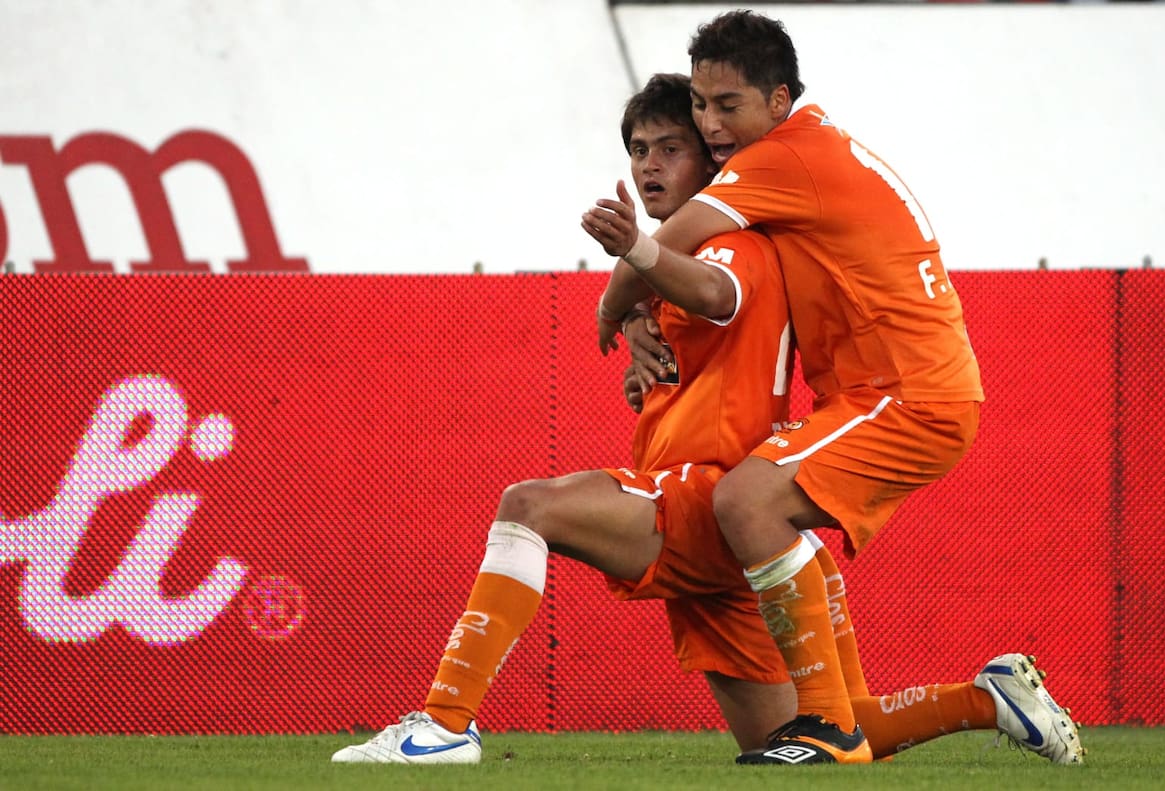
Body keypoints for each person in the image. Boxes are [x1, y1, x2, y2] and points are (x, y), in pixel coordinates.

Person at [582, 10, 1084, 766]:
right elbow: (706, 275)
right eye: (701, 104)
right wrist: (650, 314)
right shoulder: (802, 159)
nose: (711, 124)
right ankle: (985, 697)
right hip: (888, 395)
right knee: (839, 697)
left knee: (746, 501)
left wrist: (610, 307)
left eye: (728, 105)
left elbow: (672, 238)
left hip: (908, 394)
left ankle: (824, 723)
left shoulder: (781, 157)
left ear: (779, 101)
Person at [331, 71, 797, 763]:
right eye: (639, 149)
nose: (649, 165)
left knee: (529, 505)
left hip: (710, 497)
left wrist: (636, 266)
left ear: (712, 159)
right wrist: (642, 344)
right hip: (723, 526)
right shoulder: (674, 271)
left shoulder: (735, 246)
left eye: (671, 148)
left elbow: (716, 293)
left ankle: (445, 724)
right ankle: (983, 700)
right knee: (800, 748)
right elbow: (697, 332)